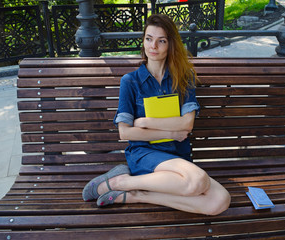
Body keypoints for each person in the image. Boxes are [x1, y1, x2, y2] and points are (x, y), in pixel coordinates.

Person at [82, 14, 231, 216]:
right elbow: (125, 133)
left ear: (170, 45)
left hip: (177, 155)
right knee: (196, 181)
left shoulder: (183, 78)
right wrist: (171, 131)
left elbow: (187, 124)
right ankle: (121, 181)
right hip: (145, 154)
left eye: (161, 41)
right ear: (143, 41)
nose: (154, 46)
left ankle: (135, 194)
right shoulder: (130, 81)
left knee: (220, 201)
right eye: (149, 39)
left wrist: (145, 122)